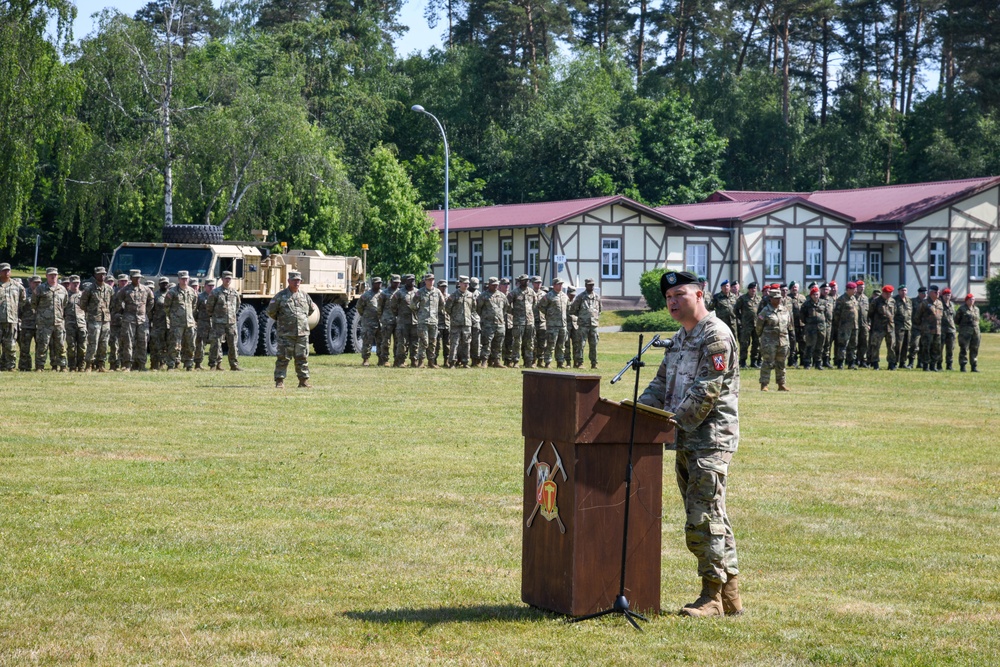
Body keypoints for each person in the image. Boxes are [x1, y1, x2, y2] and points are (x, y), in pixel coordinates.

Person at [638, 270, 741, 618]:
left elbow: (706, 393)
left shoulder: (715, 336)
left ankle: (711, 596)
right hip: (683, 438)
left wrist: (668, 422)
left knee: (702, 518)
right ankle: (729, 596)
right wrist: (635, 411)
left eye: (680, 295)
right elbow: (660, 382)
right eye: (668, 298)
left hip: (709, 439)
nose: (672, 302)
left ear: (700, 295)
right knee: (713, 515)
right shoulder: (681, 337)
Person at [265, 270, 317, 388]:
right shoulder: (281, 296)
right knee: (283, 358)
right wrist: (284, 321)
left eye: (298, 280)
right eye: (294, 280)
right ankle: (279, 381)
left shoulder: (304, 296)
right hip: (286, 333)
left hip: (302, 333)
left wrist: (300, 320)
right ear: (288, 281)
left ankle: (303, 381)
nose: (296, 282)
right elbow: (271, 312)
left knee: (302, 358)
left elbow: (310, 310)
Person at [755, 286, 793, 391]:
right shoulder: (765, 311)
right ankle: (764, 384)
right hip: (769, 341)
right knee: (768, 362)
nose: (778, 300)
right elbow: (758, 327)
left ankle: (781, 384)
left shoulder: (785, 310)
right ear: (770, 299)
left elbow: (789, 325)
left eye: (779, 298)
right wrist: (763, 338)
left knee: (781, 362)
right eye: (776, 298)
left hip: (783, 341)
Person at [117, 269, 155, 371]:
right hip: (129, 319)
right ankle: (128, 365)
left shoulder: (146, 289)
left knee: (143, 342)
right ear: (131, 278)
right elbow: (119, 301)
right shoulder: (125, 290)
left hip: (142, 319)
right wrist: (124, 311)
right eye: (135, 277)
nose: (138, 279)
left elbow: (151, 301)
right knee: (128, 342)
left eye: (139, 278)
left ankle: (142, 365)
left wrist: (145, 311)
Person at [33, 267, 69, 371]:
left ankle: (62, 366)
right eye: (51, 275)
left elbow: (65, 304)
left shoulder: (62, 289)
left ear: (57, 276)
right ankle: (40, 366)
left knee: (61, 345)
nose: (53, 277)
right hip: (44, 323)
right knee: (42, 345)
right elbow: (34, 303)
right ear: (46, 276)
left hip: (58, 322)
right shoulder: (40, 289)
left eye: (55, 275)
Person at [206, 270, 242, 371]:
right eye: (226, 278)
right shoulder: (215, 292)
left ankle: (234, 365)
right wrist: (214, 316)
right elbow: (209, 306)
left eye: (229, 278)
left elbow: (237, 306)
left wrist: (232, 316)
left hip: (231, 322)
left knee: (233, 344)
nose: (227, 280)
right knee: (216, 344)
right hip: (218, 322)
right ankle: (214, 364)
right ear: (222, 279)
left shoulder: (234, 293)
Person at [80, 267, 114, 372]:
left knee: (104, 343)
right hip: (94, 319)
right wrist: (91, 312)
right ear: (95, 275)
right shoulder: (89, 289)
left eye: (103, 274)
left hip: (106, 320)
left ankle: (101, 365)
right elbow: (82, 304)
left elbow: (112, 304)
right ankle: (89, 365)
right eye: (99, 274)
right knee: (92, 343)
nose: (102, 276)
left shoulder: (109, 289)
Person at [164, 270, 199, 370]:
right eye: (183, 279)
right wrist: (174, 317)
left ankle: (189, 365)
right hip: (177, 324)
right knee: (174, 345)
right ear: (178, 279)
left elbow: (194, 306)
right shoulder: (172, 292)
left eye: (186, 279)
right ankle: (171, 365)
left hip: (190, 323)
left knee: (190, 345)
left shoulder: (192, 291)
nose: (185, 281)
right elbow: (166, 307)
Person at [411, 273, 444, 368]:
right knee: (423, 341)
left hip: (433, 321)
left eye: (432, 279)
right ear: (425, 281)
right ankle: (421, 361)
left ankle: (431, 362)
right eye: (429, 280)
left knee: (433, 342)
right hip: (423, 321)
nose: (431, 281)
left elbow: (442, 304)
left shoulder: (437, 292)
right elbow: (413, 304)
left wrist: (435, 312)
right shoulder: (420, 292)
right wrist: (419, 312)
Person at [569, 278, 601, 369]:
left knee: (594, 345)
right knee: (581, 344)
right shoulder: (580, 297)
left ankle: (594, 363)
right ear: (586, 285)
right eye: (589, 285)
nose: (591, 286)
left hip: (593, 325)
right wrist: (582, 317)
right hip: (583, 325)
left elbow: (599, 310)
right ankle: (579, 363)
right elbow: (573, 310)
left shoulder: (597, 297)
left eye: (592, 285)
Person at [477, 277, 509, 368]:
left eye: (496, 285)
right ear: (489, 285)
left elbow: (506, 308)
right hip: (488, 324)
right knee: (486, 343)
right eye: (493, 285)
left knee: (498, 344)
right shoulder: (483, 296)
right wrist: (485, 317)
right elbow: (478, 308)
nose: (495, 286)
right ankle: (484, 361)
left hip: (500, 324)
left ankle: (497, 361)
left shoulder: (502, 296)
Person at [0, 263, 26, 371]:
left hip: (11, 320)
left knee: (10, 344)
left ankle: (10, 366)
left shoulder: (17, 286)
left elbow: (22, 301)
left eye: (8, 270)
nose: (6, 272)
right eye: (4, 270)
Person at [446, 276, 476, 368]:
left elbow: (474, 308)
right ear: (460, 284)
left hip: (467, 323)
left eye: (467, 283)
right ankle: (452, 362)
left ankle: (465, 362)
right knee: (454, 343)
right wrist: (455, 317)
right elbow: (447, 308)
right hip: (456, 323)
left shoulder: (471, 295)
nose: (466, 285)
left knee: (466, 343)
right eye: (464, 283)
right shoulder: (454, 295)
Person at [508, 274, 536, 369]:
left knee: (529, 342)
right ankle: (515, 361)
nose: (526, 282)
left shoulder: (531, 292)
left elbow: (535, 304)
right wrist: (514, 312)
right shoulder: (514, 292)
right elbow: (507, 305)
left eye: (527, 280)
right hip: (518, 322)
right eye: (524, 280)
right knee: (517, 342)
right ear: (520, 281)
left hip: (529, 321)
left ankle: (528, 361)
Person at [540, 278, 569, 368]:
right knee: (550, 344)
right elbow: (541, 306)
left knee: (561, 345)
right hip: (552, 325)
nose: (560, 286)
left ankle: (560, 362)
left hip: (562, 324)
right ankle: (547, 362)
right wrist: (549, 315)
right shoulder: (549, 296)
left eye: (561, 284)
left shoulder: (565, 296)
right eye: (558, 284)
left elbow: (567, 309)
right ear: (554, 285)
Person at [391, 274, 417, 367]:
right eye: (410, 280)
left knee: (415, 343)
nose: (413, 281)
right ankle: (401, 361)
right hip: (403, 322)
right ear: (405, 281)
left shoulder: (418, 292)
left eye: (413, 280)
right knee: (402, 343)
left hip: (415, 322)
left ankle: (414, 361)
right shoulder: (399, 293)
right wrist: (398, 314)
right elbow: (393, 305)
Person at [867, 285, 896, 370]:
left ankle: (891, 364)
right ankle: (875, 363)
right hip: (878, 328)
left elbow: (895, 313)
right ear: (883, 293)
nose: (888, 295)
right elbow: (870, 313)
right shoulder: (876, 301)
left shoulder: (892, 301)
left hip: (890, 327)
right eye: (886, 293)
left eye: (890, 293)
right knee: (875, 346)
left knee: (891, 346)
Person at [915, 285, 944, 371]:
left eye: (938, 292)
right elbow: (917, 316)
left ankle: (933, 365)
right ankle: (925, 365)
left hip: (937, 330)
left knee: (936, 348)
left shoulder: (940, 303)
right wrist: (922, 327)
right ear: (931, 293)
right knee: (926, 348)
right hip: (927, 330)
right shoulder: (924, 303)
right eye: (936, 292)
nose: (938, 293)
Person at [832, 282, 860, 369]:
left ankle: (851, 363)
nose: (855, 290)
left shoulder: (854, 299)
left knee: (853, 345)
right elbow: (836, 314)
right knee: (842, 345)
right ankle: (840, 362)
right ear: (848, 289)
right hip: (844, 327)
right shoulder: (841, 299)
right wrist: (841, 324)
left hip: (854, 326)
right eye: (854, 289)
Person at [357, 277, 383, 367]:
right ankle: (366, 359)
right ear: (373, 284)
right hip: (369, 323)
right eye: (377, 283)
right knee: (367, 342)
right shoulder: (366, 295)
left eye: (380, 283)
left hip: (380, 322)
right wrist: (365, 316)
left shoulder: (383, 294)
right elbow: (359, 307)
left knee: (381, 342)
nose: (379, 285)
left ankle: (381, 360)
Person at [734, 282, 761, 368]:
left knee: (756, 343)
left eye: (755, 288)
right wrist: (741, 319)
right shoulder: (742, 298)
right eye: (752, 288)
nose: (754, 290)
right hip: (746, 325)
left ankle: (754, 361)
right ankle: (742, 362)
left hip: (756, 325)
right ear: (749, 289)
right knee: (744, 343)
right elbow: (735, 309)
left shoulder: (759, 299)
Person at [64, 275, 87, 371]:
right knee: (71, 347)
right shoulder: (65, 295)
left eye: (77, 283)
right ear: (70, 284)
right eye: (74, 283)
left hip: (81, 324)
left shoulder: (83, 295)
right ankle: (72, 366)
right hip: (70, 324)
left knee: (82, 347)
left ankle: (81, 366)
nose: (76, 285)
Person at [800, 286, 827, 369]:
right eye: (814, 294)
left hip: (821, 328)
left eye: (817, 294)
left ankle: (818, 363)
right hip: (810, 328)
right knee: (809, 346)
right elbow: (802, 317)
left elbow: (826, 314)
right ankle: (807, 362)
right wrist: (809, 323)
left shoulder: (823, 303)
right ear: (811, 295)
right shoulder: (806, 304)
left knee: (820, 346)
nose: (816, 296)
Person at [377, 274, 400, 367]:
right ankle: (384, 360)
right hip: (387, 320)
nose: (397, 284)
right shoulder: (384, 293)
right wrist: (382, 318)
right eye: (395, 282)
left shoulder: (400, 292)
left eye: (398, 283)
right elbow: (379, 307)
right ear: (391, 282)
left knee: (398, 342)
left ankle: (397, 360)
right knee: (386, 341)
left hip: (398, 321)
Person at [955, 294, 981, 372]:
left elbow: (977, 320)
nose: (972, 301)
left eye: (973, 299)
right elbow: (956, 320)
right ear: (966, 300)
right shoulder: (962, 309)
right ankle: (963, 366)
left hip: (975, 332)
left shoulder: (976, 309)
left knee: (975, 349)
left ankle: (974, 366)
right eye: (970, 299)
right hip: (965, 333)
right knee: (964, 349)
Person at [149, 277, 171, 370]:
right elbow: (150, 310)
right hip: (158, 324)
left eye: (166, 283)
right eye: (162, 283)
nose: (164, 285)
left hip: (170, 323)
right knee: (156, 344)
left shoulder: (171, 294)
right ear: (159, 284)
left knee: (167, 344)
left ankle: (163, 363)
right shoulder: (155, 295)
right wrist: (150, 322)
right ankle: (154, 364)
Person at [194, 278, 215, 370]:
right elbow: (195, 309)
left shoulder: (216, 295)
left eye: (212, 286)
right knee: (200, 343)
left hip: (214, 323)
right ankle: (198, 363)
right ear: (205, 286)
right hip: (203, 322)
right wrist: (198, 319)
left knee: (215, 343)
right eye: (209, 286)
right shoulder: (200, 297)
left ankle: (214, 364)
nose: (211, 287)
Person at [893, 285, 912, 369]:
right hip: (898, 326)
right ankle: (895, 362)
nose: (903, 292)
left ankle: (903, 362)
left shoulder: (909, 301)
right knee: (898, 345)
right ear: (898, 291)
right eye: (902, 290)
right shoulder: (894, 300)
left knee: (906, 345)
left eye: (905, 290)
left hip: (908, 326)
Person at [908, 286, 927, 368]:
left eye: (926, 293)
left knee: (923, 346)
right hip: (915, 327)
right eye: (923, 293)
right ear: (919, 293)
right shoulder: (913, 301)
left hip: (925, 328)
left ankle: (920, 363)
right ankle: (911, 362)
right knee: (914, 345)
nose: (925, 295)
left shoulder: (927, 302)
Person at [434, 279, 451, 367]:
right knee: (437, 344)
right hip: (438, 323)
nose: (444, 288)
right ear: (438, 287)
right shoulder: (435, 297)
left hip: (447, 323)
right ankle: (434, 360)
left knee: (447, 344)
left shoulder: (449, 297)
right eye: (442, 286)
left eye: (445, 286)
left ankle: (446, 360)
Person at [940, 288, 956, 370]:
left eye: (949, 295)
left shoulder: (952, 305)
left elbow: (954, 317)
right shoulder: (939, 304)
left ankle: (949, 365)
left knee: (950, 348)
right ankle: (939, 364)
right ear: (942, 295)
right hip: (941, 329)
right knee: (939, 348)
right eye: (945, 295)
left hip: (951, 330)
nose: (947, 296)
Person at [855, 280, 870, 368]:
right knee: (854, 342)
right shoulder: (853, 298)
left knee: (864, 342)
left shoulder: (865, 298)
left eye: (863, 287)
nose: (862, 289)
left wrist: (869, 323)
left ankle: (863, 360)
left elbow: (868, 312)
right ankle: (854, 359)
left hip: (864, 324)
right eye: (860, 287)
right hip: (854, 324)